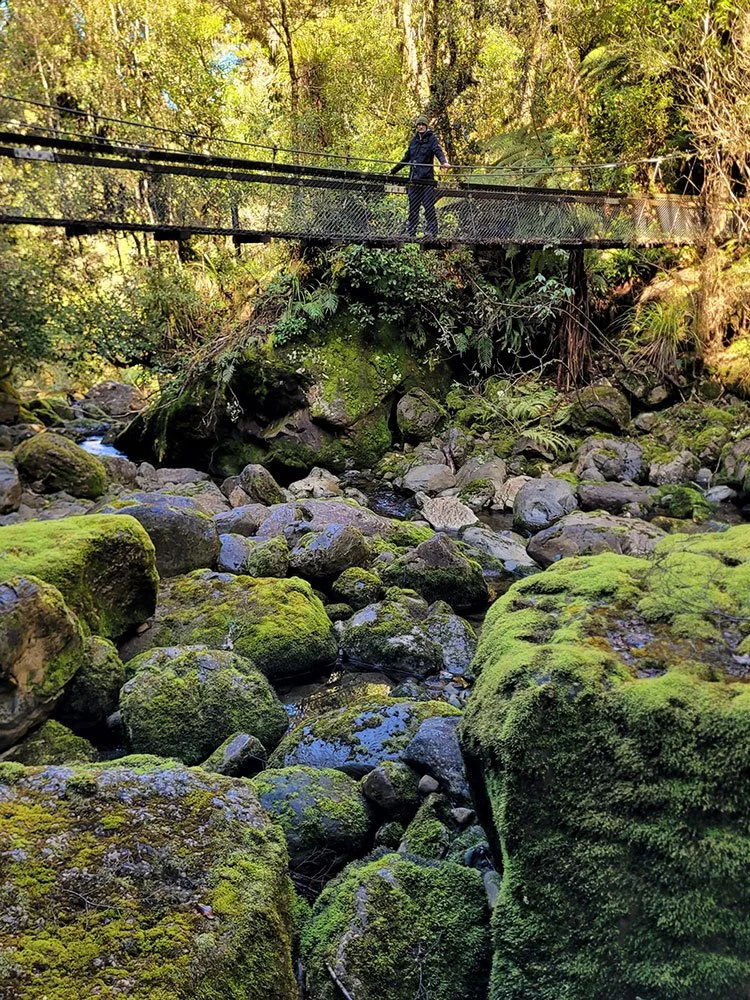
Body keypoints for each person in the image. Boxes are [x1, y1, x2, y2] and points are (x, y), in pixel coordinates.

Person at [389, 115, 450, 237]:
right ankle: (411, 231)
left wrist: (443, 162)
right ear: (416, 127)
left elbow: (437, 150)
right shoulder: (414, 141)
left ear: (426, 126)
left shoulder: (432, 139)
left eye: (422, 125)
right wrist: (393, 170)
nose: (420, 127)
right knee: (413, 207)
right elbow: (406, 158)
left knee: (428, 206)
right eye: (418, 125)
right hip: (414, 180)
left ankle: (431, 231)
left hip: (426, 180)